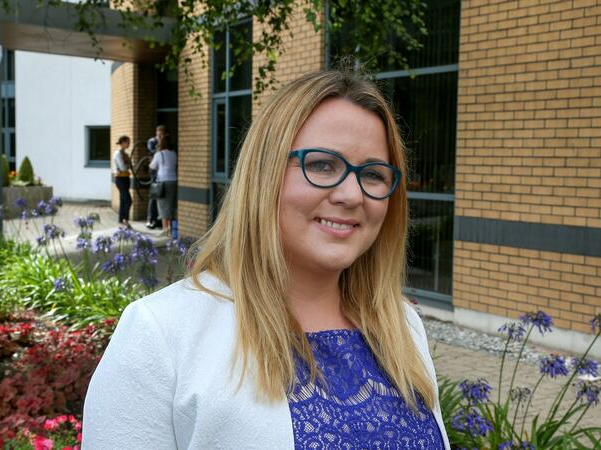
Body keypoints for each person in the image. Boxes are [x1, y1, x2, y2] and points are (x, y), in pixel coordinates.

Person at [83, 68, 450, 449]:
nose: (352, 195)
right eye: (322, 165)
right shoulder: (163, 334)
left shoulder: (401, 325)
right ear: (264, 173)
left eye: (373, 173)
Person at [148, 136, 177, 236]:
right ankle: (171, 228)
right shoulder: (174, 154)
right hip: (173, 181)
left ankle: (165, 230)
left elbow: (152, 166)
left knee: (162, 206)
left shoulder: (159, 154)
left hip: (163, 182)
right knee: (171, 205)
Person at [145, 125, 166, 229]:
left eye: (162, 135)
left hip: (163, 174)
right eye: (159, 135)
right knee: (154, 196)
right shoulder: (152, 141)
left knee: (162, 197)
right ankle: (150, 218)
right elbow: (152, 151)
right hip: (155, 173)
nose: (160, 137)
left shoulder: (166, 143)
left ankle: (159, 220)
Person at [112, 135, 132, 228]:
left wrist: (127, 165)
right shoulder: (118, 154)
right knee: (128, 200)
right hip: (120, 179)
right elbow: (124, 167)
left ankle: (121, 221)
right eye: (127, 142)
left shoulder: (126, 154)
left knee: (123, 200)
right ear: (123, 142)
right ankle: (125, 220)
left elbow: (128, 166)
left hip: (126, 178)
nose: (129, 144)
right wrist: (127, 165)